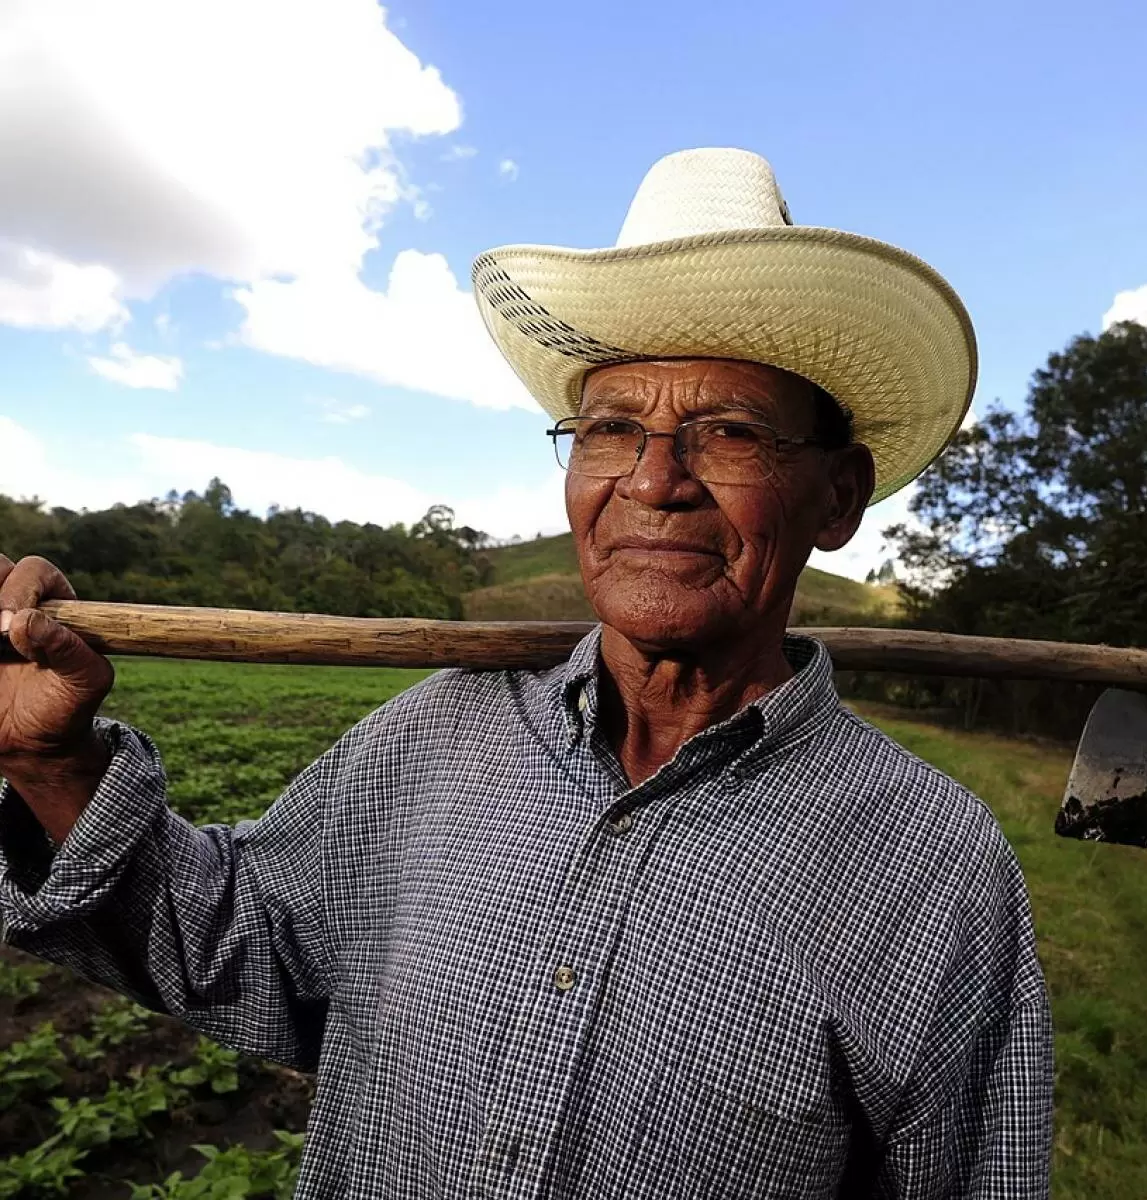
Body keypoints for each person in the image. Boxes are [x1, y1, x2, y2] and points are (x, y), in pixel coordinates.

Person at [0, 148, 1053, 1199]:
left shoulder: (934, 869)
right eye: (610, 429)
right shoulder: (430, 738)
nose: (653, 481)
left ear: (836, 497)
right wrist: (52, 763)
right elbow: (236, 945)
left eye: (726, 431)